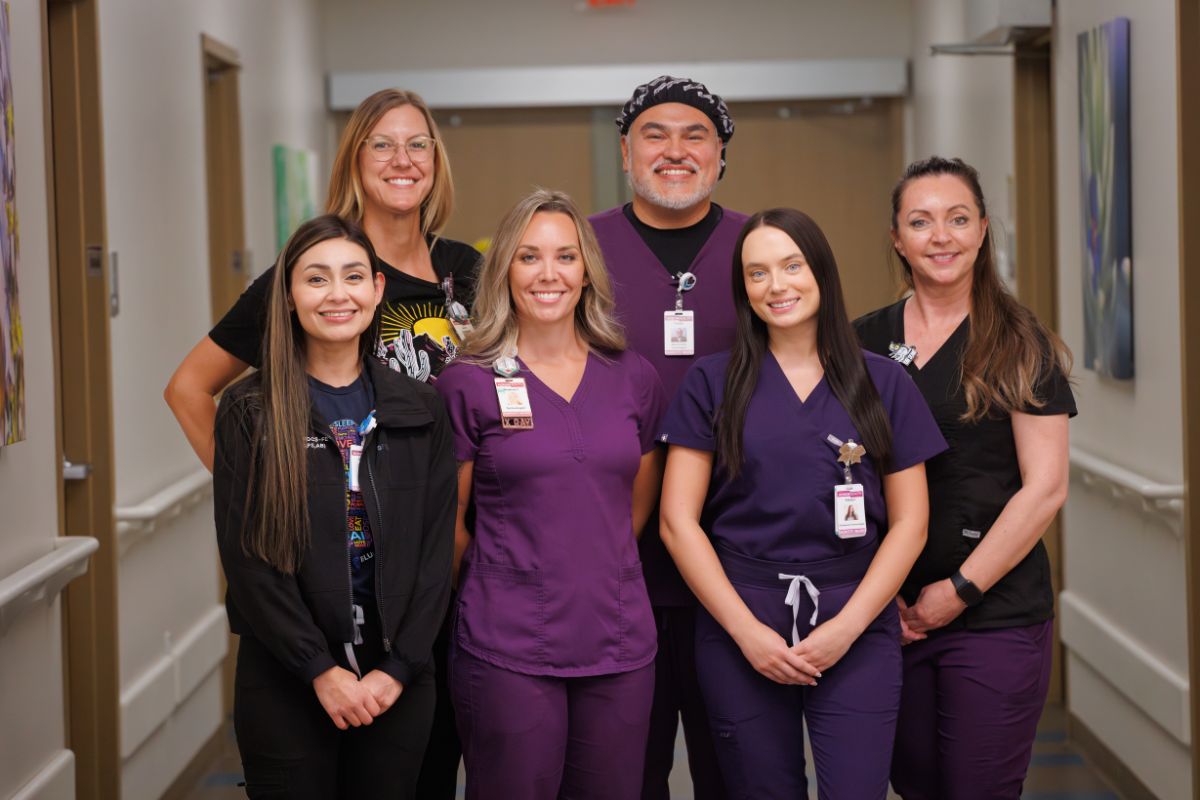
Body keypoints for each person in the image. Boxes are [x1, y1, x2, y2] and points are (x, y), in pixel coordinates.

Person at [166, 88, 478, 797]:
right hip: (320, 598)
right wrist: (279, 492)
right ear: (354, 158)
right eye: (381, 144)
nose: (403, 160)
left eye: (419, 144)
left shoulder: (472, 271)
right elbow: (189, 388)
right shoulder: (314, 266)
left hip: (446, 582)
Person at [659, 208, 947, 799]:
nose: (777, 285)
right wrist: (747, 633)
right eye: (757, 273)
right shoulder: (712, 383)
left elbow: (911, 522)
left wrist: (848, 628)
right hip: (743, 617)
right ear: (743, 288)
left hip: (856, 618)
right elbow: (676, 521)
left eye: (791, 265)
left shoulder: (884, 382)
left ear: (820, 271)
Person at [854, 156, 1076, 799]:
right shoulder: (861, 343)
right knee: (915, 781)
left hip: (993, 614)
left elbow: (1046, 488)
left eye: (957, 219)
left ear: (982, 229)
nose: (941, 237)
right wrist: (877, 595)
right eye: (920, 222)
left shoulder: (1018, 342)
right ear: (897, 238)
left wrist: (959, 589)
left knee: (976, 788)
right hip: (887, 616)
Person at [212, 215, 455, 799]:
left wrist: (398, 670)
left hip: (396, 678)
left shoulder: (421, 407)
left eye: (352, 277)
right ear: (290, 297)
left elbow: (435, 549)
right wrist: (319, 669)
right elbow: (248, 562)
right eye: (316, 279)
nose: (337, 294)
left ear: (377, 289)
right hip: (286, 676)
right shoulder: (250, 410)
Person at [436, 189, 666, 800]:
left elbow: (635, 503)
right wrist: (507, 577)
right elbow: (450, 524)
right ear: (505, 269)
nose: (548, 274)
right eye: (528, 257)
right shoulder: (467, 383)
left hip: (618, 640)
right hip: (506, 644)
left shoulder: (631, 376)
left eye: (565, 256)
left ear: (586, 270)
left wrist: (596, 565)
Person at [588, 75, 746, 800]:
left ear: (721, 155)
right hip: (613, 560)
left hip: (742, 556)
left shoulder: (760, 246)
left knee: (738, 766)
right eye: (655, 134)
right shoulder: (581, 250)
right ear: (626, 150)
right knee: (624, 771)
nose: (675, 151)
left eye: (695, 136)